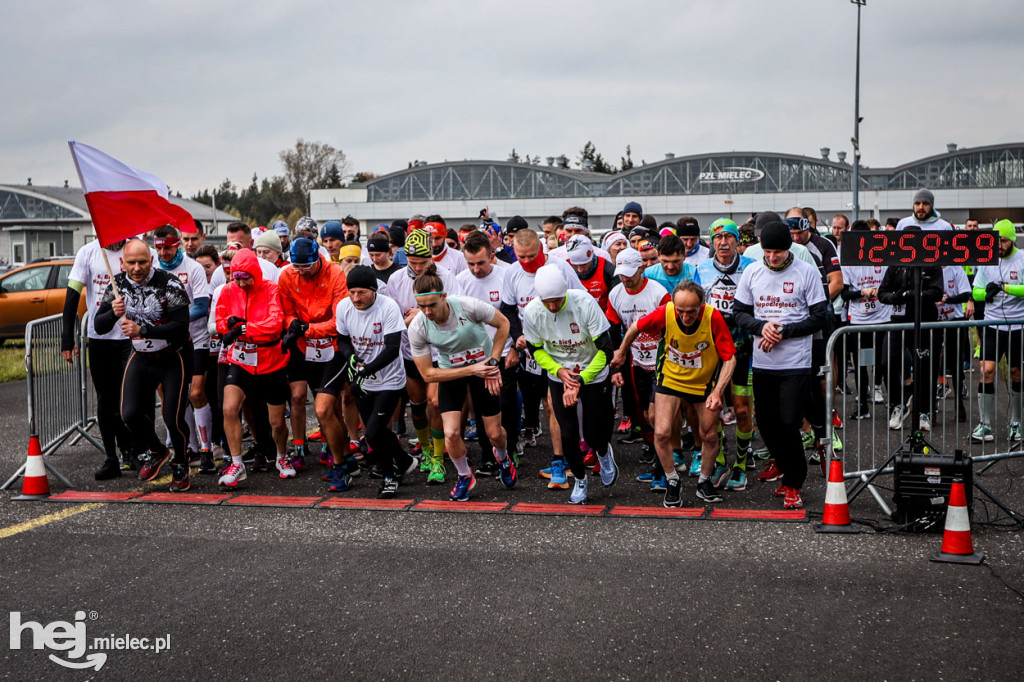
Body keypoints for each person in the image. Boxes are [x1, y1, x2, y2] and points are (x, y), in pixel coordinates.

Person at [734, 221, 830, 510]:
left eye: (778, 252)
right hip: (763, 361)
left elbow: (820, 317)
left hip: (796, 362)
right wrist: (763, 327)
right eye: (768, 251)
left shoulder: (806, 271)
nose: (773, 257)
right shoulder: (752, 271)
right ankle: (785, 464)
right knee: (764, 422)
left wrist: (783, 331)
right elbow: (739, 313)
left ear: (789, 249)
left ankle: (794, 481)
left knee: (789, 423)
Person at [614, 281, 736, 506]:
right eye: (680, 311)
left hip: (703, 383)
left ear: (702, 305)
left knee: (708, 434)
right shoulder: (666, 311)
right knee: (661, 432)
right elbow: (634, 327)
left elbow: (729, 357)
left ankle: (704, 481)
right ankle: (672, 480)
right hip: (671, 378)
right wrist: (622, 352)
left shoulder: (713, 317)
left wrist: (718, 392)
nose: (685, 317)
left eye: (691, 312)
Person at [93, 240, 193, 491]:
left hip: (173, 356)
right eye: (131, 263)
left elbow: (181, 328)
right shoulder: (117, 285)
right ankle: (157, 450)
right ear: (122, 263)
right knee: (129, 414)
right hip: (141, 357)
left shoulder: (169, 283)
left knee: (172, 417)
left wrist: (143, 329)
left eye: (142, 262)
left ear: (151, 260)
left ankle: (181, 462)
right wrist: (113, 313)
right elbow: (99, 326)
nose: (137, 268)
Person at [409, 271, 516, 500]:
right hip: (453, 373)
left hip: (484, 370)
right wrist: (470, 369)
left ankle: (504, 458)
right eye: (421, 306)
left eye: (432, 305)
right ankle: (465, 476)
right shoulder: (418, 326)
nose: (427, 312)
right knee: (452, 433)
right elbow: (428, 375)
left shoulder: (468, 306)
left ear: (444, 296)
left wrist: (494, 361)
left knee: (495, 433)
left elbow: (503, 324)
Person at [524, 265, 619, 504]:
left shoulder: (584, 303)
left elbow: (606, 351)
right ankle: (579, 478)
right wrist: (558, 370)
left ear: (565, 293)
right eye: (548, 302)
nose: (553, 307)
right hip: (561, 375)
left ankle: (604, 452)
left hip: (592, 371)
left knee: (592, 433)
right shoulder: (533, 311)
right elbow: (535, 350)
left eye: (557, 301)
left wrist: (581, 379)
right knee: (568, 435)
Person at [502, 229, 586, 489]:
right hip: (531, 349)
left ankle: (563, 457)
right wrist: (516, 339)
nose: (527, 262)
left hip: (562, 346)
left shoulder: (560, 268)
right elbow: (507, 309)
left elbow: (582, 301)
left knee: (557, 400)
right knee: (547, 405)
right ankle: (567, 454)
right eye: (522, 256)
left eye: (532, 256)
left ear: (542, 249)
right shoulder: (513, 272)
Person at [381, 229, 463, 484]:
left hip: (441, 350)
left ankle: (439, 457)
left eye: (423, 262)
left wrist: (423, 312)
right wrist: (407, 318)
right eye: (412, 262)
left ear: (432, 258)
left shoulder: (446, 276)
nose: (417, 267)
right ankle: (426, 450)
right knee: (416, 406)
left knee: (435, 402)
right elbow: (391, 315)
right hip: (411, 350)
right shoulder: (395, 279)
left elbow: (459, 308)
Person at [336, 266, 420, 497]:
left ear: (374, 290)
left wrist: (364, 371)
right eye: (352, 292)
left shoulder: (388, 306)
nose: (356, 298)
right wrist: (350, 357)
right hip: (364, 378)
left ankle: (390, 475)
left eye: (361, 292)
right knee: (376, 432)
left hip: (389, 380)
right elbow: (342, 340)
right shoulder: (344, 307)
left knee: (373, 433)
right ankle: (403, 460)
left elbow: (392, 349)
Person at [278, 237, 353, 490]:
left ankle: (341, 463)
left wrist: (307, 329)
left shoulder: (336, 274)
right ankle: (344, 457)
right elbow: (287, 312)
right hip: (302, 347)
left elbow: (339, 321)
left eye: (306, 267)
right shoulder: (287, 275)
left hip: (332, 347)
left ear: (318, 259)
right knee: (312, 403)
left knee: (325, 410)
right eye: (296, 267)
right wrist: (292, 325)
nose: (300, 271)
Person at [215, 248, 291, 487]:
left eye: (245, 277)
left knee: (277, 423)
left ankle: (281, 456)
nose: (240, 282)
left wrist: (245, 328)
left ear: (255, 274)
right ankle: (237, 463)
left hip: (271, 361)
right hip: (241, 360)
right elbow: (219, 320)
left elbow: (274, 323)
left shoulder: (271, 289)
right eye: (235, 277)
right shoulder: (228, 291)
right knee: (229, 408)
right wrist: (227, 325)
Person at [62, 237, 136, 479]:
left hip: (130, 337)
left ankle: (136, 451)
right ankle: (112, 457)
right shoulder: (88, 252)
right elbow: (72, 294)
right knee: (105, 401)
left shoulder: (135, 250)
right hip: (100, 336)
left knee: (129, 399)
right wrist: (67, 337)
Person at [694, 218, 756, 490]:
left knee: (741, 408)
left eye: (729, 237)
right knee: (713, 406)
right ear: (712, 241)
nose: (723, 242)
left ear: (737, 241)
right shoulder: (702, 268)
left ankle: (741, 464)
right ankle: (719, 459)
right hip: (713, 348)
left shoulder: (752, 268)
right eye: (717, 237)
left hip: (744, 346)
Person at [458, 232, 521, 475]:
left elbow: (515, 315)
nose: (476, 269)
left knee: (505, 402)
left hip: (505, 351)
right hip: (475, 357)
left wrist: (515, 346)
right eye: (471, 263)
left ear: (492, 257)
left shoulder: (506, 276)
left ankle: (511, 448)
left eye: (481, 263)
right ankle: (487, 455)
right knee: (484, 405)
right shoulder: (460, 280)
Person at [607, 248, 670, 487]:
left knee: (656, 415)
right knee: (641, 415)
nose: (625, 278)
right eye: (622, 273)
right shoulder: (616, 294)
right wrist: (615, 366)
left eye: (630, 274)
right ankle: (656, 454)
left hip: (661, 362)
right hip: (635, 361)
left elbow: (670, 327)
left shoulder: (658, 293)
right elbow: (613, 330)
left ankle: (664, 467)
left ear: (641, 269)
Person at [153, 225, 213, 469]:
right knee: (170, 396)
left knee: (196, 393)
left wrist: (174, 318)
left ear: (177, 244)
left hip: (196, 339)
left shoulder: (193, 268)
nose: (163, 252)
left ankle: (207, 448)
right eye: (158, 248)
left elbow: (201, 306)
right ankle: (189, 447)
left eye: (167, 247)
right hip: (164, 341)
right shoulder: (152, 269)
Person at [876, 229, 944, 432]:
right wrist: (897, 297)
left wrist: (915, 294)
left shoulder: (931, 263)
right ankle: (897, 405)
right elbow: (882, 293)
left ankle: (924, 411)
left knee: (925, 368)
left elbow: (937, 292)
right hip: (898, 323)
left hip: (924, 324)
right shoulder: (895, 265)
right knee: (887, 362)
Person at [971, 219, 1024, 442]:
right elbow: (976, 292)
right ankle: (985, 424)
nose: (998, 245)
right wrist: (987, 294)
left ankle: (1016, 423)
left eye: (1002, 240)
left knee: (1015, 373)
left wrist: (1005, 287)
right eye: (995, 240)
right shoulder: (986, 259)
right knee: (987, 371)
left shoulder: (1022, 259)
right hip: (992, 325)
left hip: (1017, 324)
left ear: (1012, 240)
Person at [839, 221, 892, 420]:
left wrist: (881, 291)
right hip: (860, 321)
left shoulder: (882, 256)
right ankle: (862, 405)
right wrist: (862, 292)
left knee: (885, 363)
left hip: (883, 319)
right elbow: (844, 294)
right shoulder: (848, 261)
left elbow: (892, 284)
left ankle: (893, 403)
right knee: (862, 363)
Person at [210, 222, 280, 286]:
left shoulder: (269, 269)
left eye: (238, 244)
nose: (233, 248)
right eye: (229, 245)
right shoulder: (219, 272)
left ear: (251, 243)